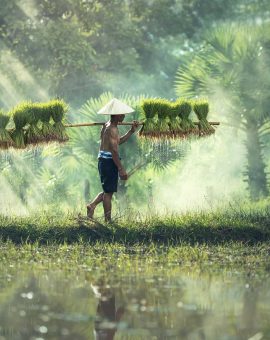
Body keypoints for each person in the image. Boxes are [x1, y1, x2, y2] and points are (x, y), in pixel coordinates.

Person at [87, 113, 139, 222]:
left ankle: (92, 205)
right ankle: (108, 221)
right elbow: (114, 151)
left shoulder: (107, 125)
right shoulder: (112, 129)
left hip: (103, 160)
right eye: (122, 114)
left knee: (108, 190)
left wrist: (131, 131)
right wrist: (121, 169)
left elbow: (117, 141)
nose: (124, 116)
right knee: (108, 194)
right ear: (116, 115)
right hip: (109, 161)